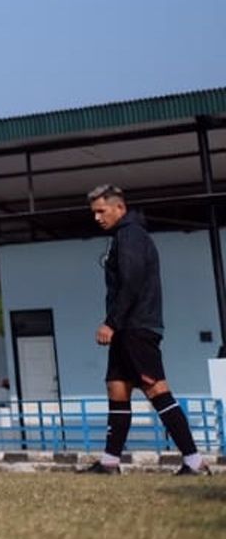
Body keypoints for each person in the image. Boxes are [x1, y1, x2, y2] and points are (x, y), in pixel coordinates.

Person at [78, 184, 206, 476]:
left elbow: (132, 281)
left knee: (156, 389)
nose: (97, 217)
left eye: (101, 211)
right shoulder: (120, 236)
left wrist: (111, 321)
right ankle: (110, 463)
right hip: (127, 328)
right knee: (117, 388)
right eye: (94, 212)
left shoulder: (131, 235)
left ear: (119, 208)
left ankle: (195, 462)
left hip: (136, 326)